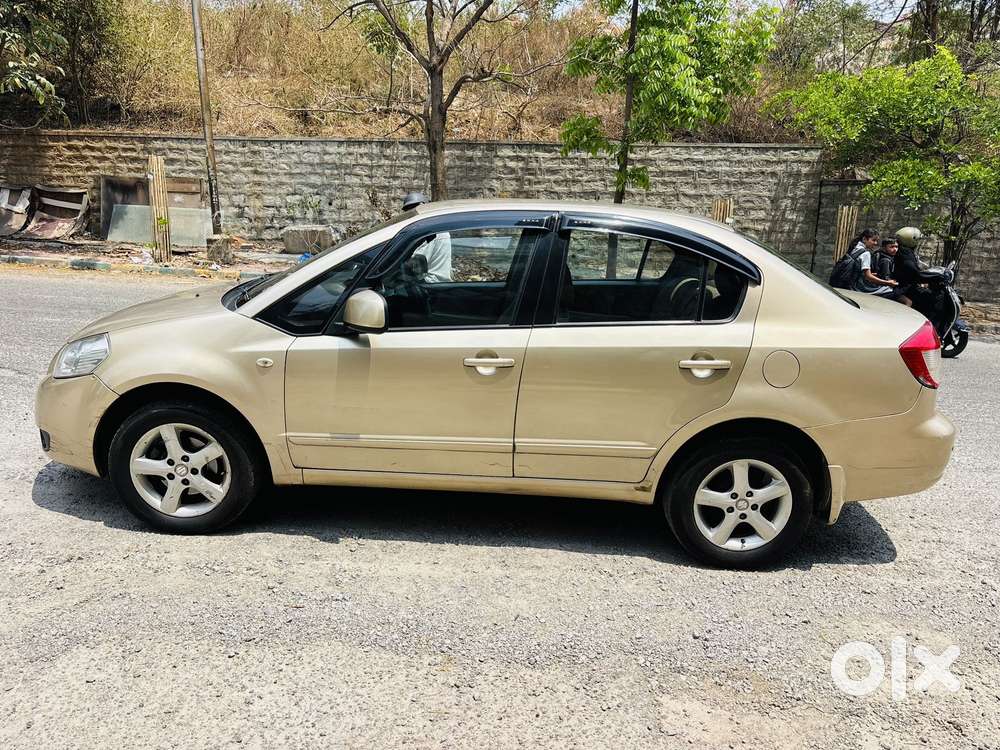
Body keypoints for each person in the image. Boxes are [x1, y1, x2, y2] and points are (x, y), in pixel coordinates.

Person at [848, 228, 902, 299]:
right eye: (873, 240)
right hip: (858, 286)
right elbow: (868, 277)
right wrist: (888, 283)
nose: (876, 243)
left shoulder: (856, 247)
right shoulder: (865, 253)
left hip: (851, 282)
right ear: (864, 239)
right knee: (891, 291)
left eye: (876, 241)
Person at [874, 236, 912, 306]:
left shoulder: (882, 255)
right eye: (891, 247)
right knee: (908, 302)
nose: (895, 249)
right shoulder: (886, 260)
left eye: (896, 247)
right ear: (884, 248)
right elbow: (885, 278)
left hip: (882, 286)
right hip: (881, 289)